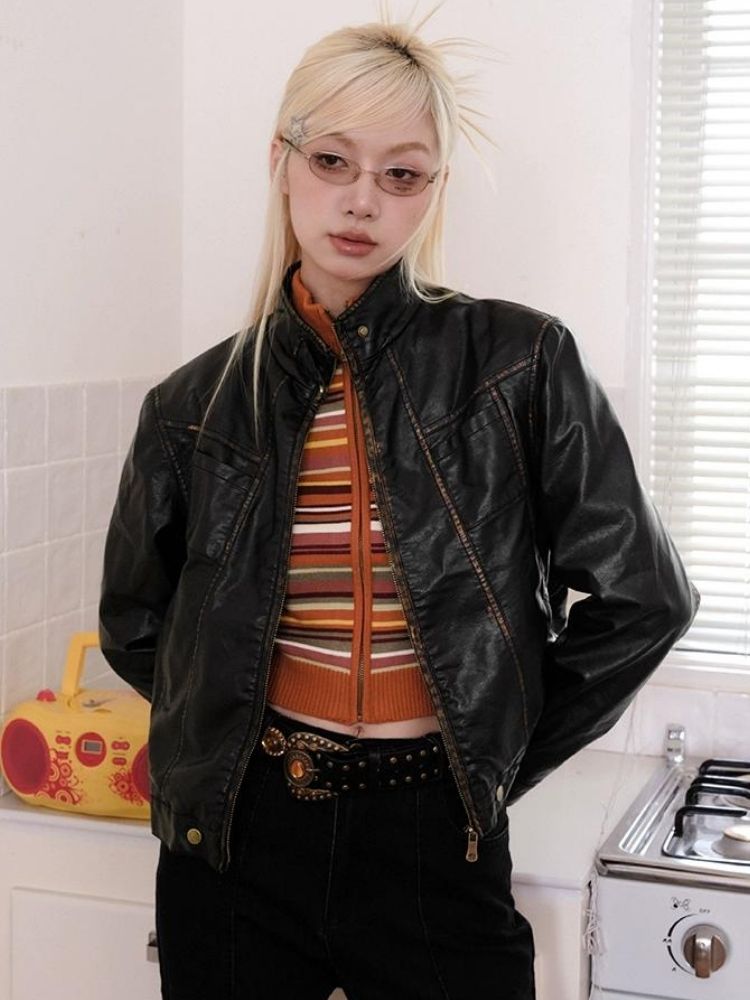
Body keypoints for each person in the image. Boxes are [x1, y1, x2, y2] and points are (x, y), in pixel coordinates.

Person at [98, 8, 700, 1000]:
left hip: (434, 835)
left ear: (434, 190)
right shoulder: (191, 406)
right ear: (281, 160)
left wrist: (489, 754)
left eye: (402, 174)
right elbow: (136, 626)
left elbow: (646, 599)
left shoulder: (518, 364)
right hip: (237, 843)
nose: (362, 200)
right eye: (333, 160)